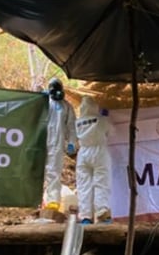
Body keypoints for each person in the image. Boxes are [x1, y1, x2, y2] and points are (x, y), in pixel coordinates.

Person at [75, 96, 112, 224]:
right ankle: (102, 213)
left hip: (83, 153)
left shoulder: (78, 122)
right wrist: (105, 117)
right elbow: (111, 132)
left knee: (84, 185)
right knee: (101, 183)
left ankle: (85, 216)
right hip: (99, 152)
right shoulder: (100, 120)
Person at [42, 78, 77, 212]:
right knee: (38, 171)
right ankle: (36, 199)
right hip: (41, 141)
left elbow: (71, 126)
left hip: (57, 143)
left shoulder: (66, 107)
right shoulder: (44, 103)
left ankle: (52, 201)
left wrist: (72, 143)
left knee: (53, 172)